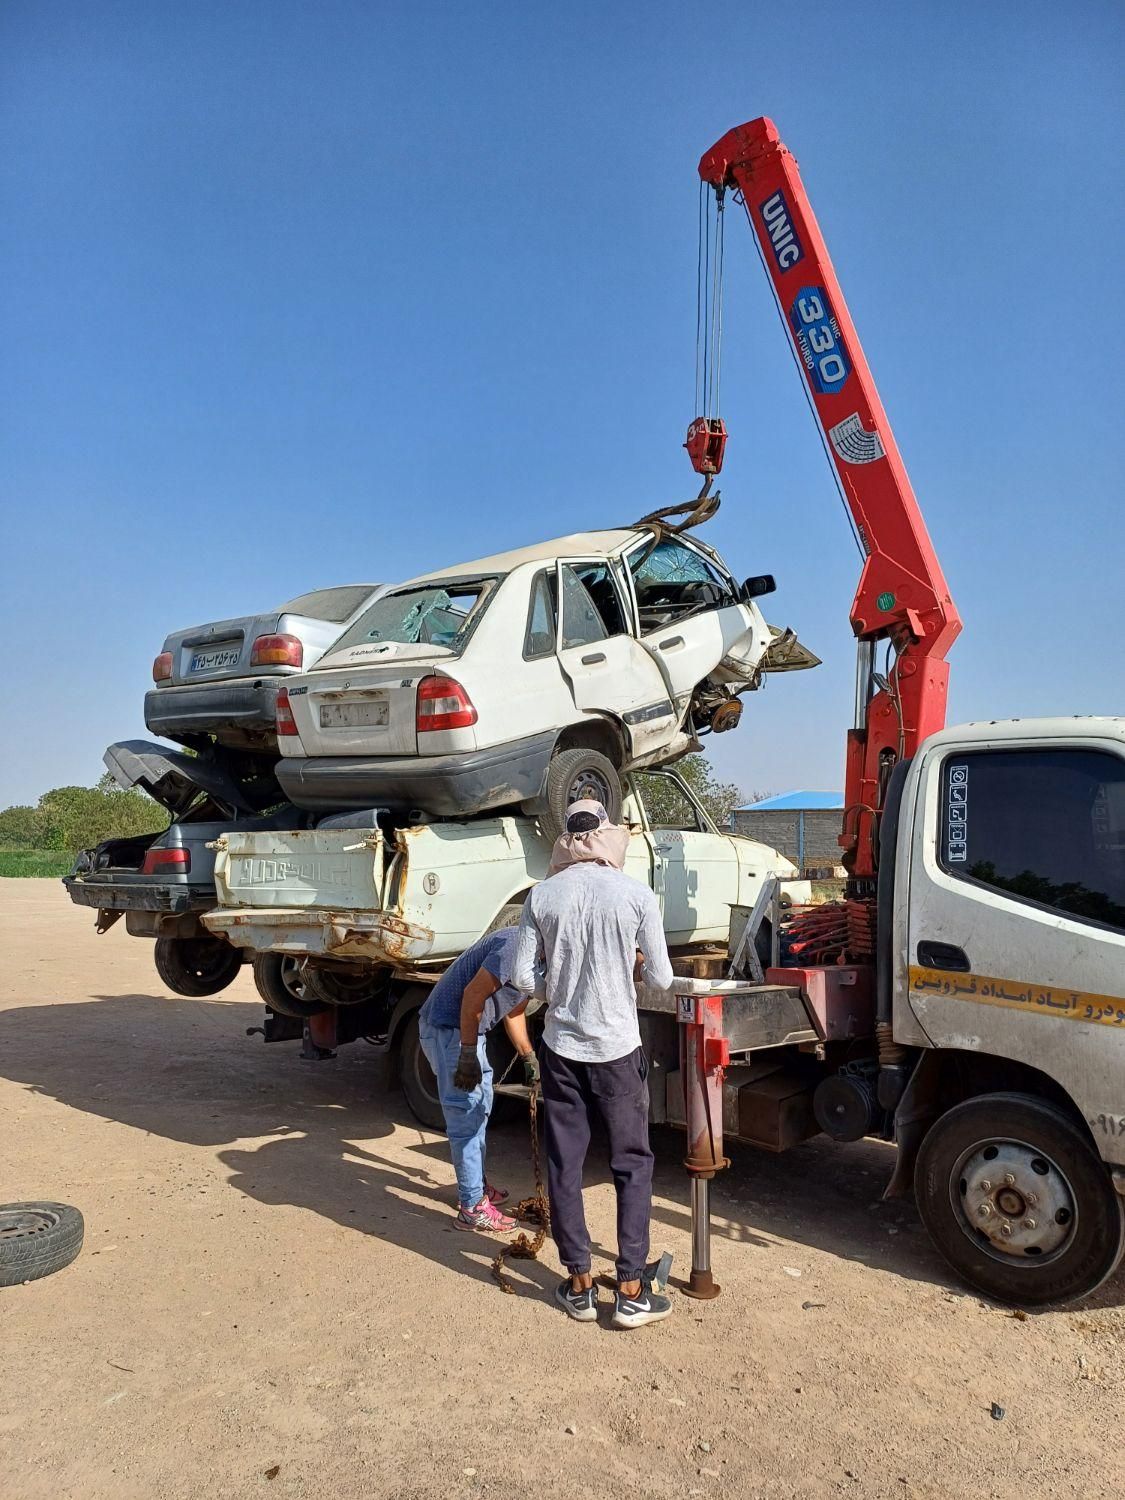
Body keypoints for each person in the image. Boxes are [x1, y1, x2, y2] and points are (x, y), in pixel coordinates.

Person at [510, 798, 675, 1329]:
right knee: (632, 1162)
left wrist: (559, 987)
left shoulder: (542, 895)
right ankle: (630, 1289)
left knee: (567, 1163)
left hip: (562, 1047)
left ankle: (578, 1284)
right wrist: (634, 964)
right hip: (618, 1050)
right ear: (607, 833)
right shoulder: (636, 895)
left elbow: (521, 978)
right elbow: (665, 981)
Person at [418, 926, 540, 1232]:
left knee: (481, 1110)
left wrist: (529, 1057)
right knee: (466, 1115)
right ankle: (472, 1208)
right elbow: (473, 995)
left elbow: (514, 1011)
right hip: (450, 1030)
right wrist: (468, 1055)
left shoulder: (543, 955)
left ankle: (476, 1188)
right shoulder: (516, 945)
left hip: (471, 1031)